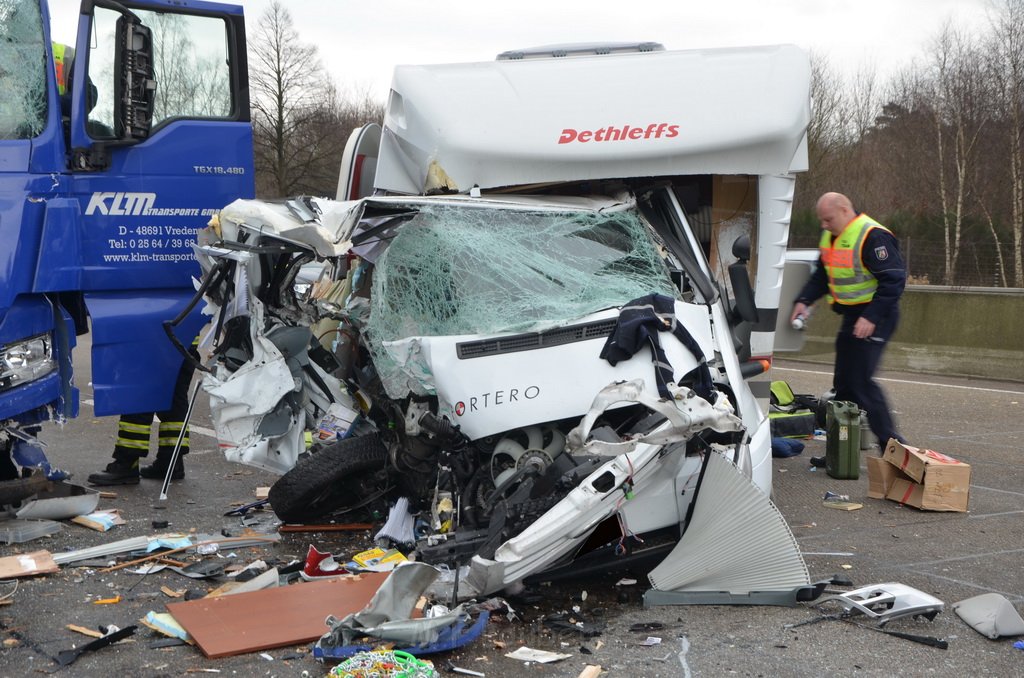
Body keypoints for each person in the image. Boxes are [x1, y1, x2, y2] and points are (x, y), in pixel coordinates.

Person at [790, 192, 907, 454]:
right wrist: (804, 300)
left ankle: (893, 447)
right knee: (843, 385)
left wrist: (871, 317)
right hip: (852, 316)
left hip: (877, 315)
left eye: (828, 219)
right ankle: (840, 452)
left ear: (844, 210)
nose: (824, 225)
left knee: (862, 381)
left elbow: (894, 280)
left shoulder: (872, 236)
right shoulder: (831, 237)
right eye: (821, 220)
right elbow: (822, 274)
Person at [87, 344, 199, 486]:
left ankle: (128, 462)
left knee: (138, 396)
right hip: (183, 341)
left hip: (147, 338)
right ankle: (171, 462)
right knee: (173, 399)